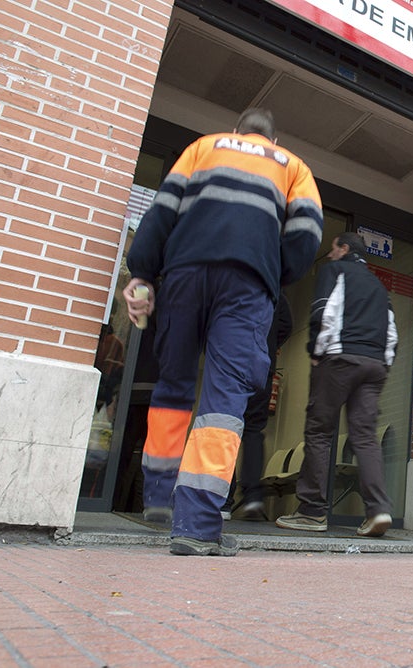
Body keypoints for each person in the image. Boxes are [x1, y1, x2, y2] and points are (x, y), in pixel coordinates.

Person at [122, 108, 324, 557]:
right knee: (224, 400)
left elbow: (161, 213)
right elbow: (306, 236)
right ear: (271, 139)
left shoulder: (202, 147)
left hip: (183, 273)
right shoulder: (294, 167)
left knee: (173, 385)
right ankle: (194, 527)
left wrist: (142, 274)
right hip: (247, 284)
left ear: (237, 132)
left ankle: (156, 498)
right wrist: (274, 271)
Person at [276, 232, 397, 537]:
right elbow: (392, 332)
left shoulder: (334, 270)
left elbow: (323, 312)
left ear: (343, 249)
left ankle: (312, 512)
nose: (329, 255)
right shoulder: (379, 286)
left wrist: (316, 352)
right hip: (374, 366)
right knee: (365, 438)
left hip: (340, 359)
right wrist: (384, 362)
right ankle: (378, 511)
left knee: (319, 432)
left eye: (332, 249)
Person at [223, 292, 293, 521]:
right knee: (253, 431)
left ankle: (223, 499)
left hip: (233, 364)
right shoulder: (277, 294)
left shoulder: (238, 284)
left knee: (227, 429)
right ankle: (253, 496)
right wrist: (269, 346)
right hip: (263, 366)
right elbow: (286, 325)